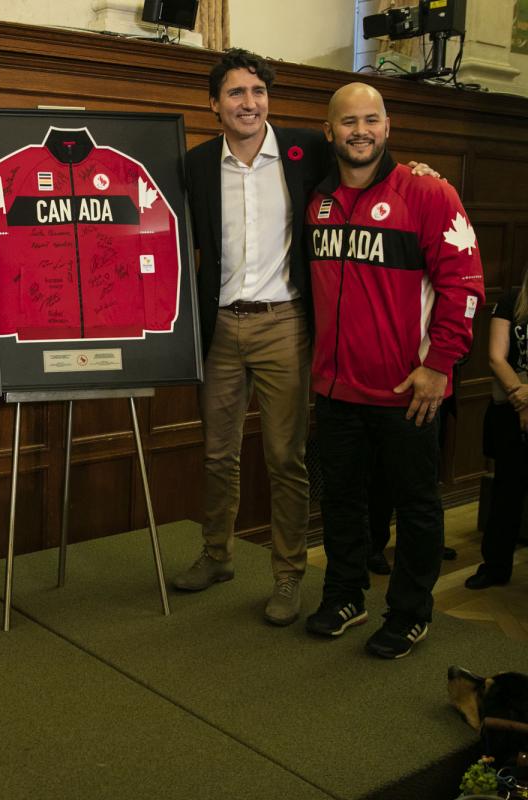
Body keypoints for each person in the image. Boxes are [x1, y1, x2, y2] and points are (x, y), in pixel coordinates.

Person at [304, 83, 485, 659]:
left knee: (417, 507)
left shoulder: (430, 192)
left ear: (388, 126)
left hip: (410, 391)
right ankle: (345, 595)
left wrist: (440, 366)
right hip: (335, 389)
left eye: (371, 119)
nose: (360, 130)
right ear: (328, 130)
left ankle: (410, 612)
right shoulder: (315, 197)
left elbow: (466, 287)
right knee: (341, 502)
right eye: (348, 121)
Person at [175, 49, 331, 626]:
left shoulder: (304, 151)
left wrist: (417, 172)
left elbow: (369, 169)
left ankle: (289, 576)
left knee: (285, 457)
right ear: (213, 104)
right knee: (218, 454)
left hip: (284, 323)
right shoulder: (193, 164)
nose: (249, 103)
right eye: (237, 93)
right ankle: (217, 556)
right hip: (219, 326)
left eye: (258, 91)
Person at [465, 267, 528, 590]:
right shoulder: (511, 300)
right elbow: (495, 357)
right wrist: (522, 397)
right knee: (506, 492)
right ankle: (495, 565)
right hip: (509, 409)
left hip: (519, 399)